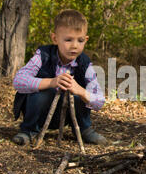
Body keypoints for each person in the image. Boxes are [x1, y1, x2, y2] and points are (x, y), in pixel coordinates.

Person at [12, 9, 107, 146]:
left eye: (80, 40)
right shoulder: (43, 55)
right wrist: (51, 82)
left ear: (86, 40)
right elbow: (18, 81)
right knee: (45, 92)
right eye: (68, 40)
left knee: (78, 95)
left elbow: (100, 102)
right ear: (55, 38)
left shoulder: (85, 64)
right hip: (41, 114)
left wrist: (79, 90)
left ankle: (83, 129)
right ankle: (29, 130)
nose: (74, 46)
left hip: (68, 115)